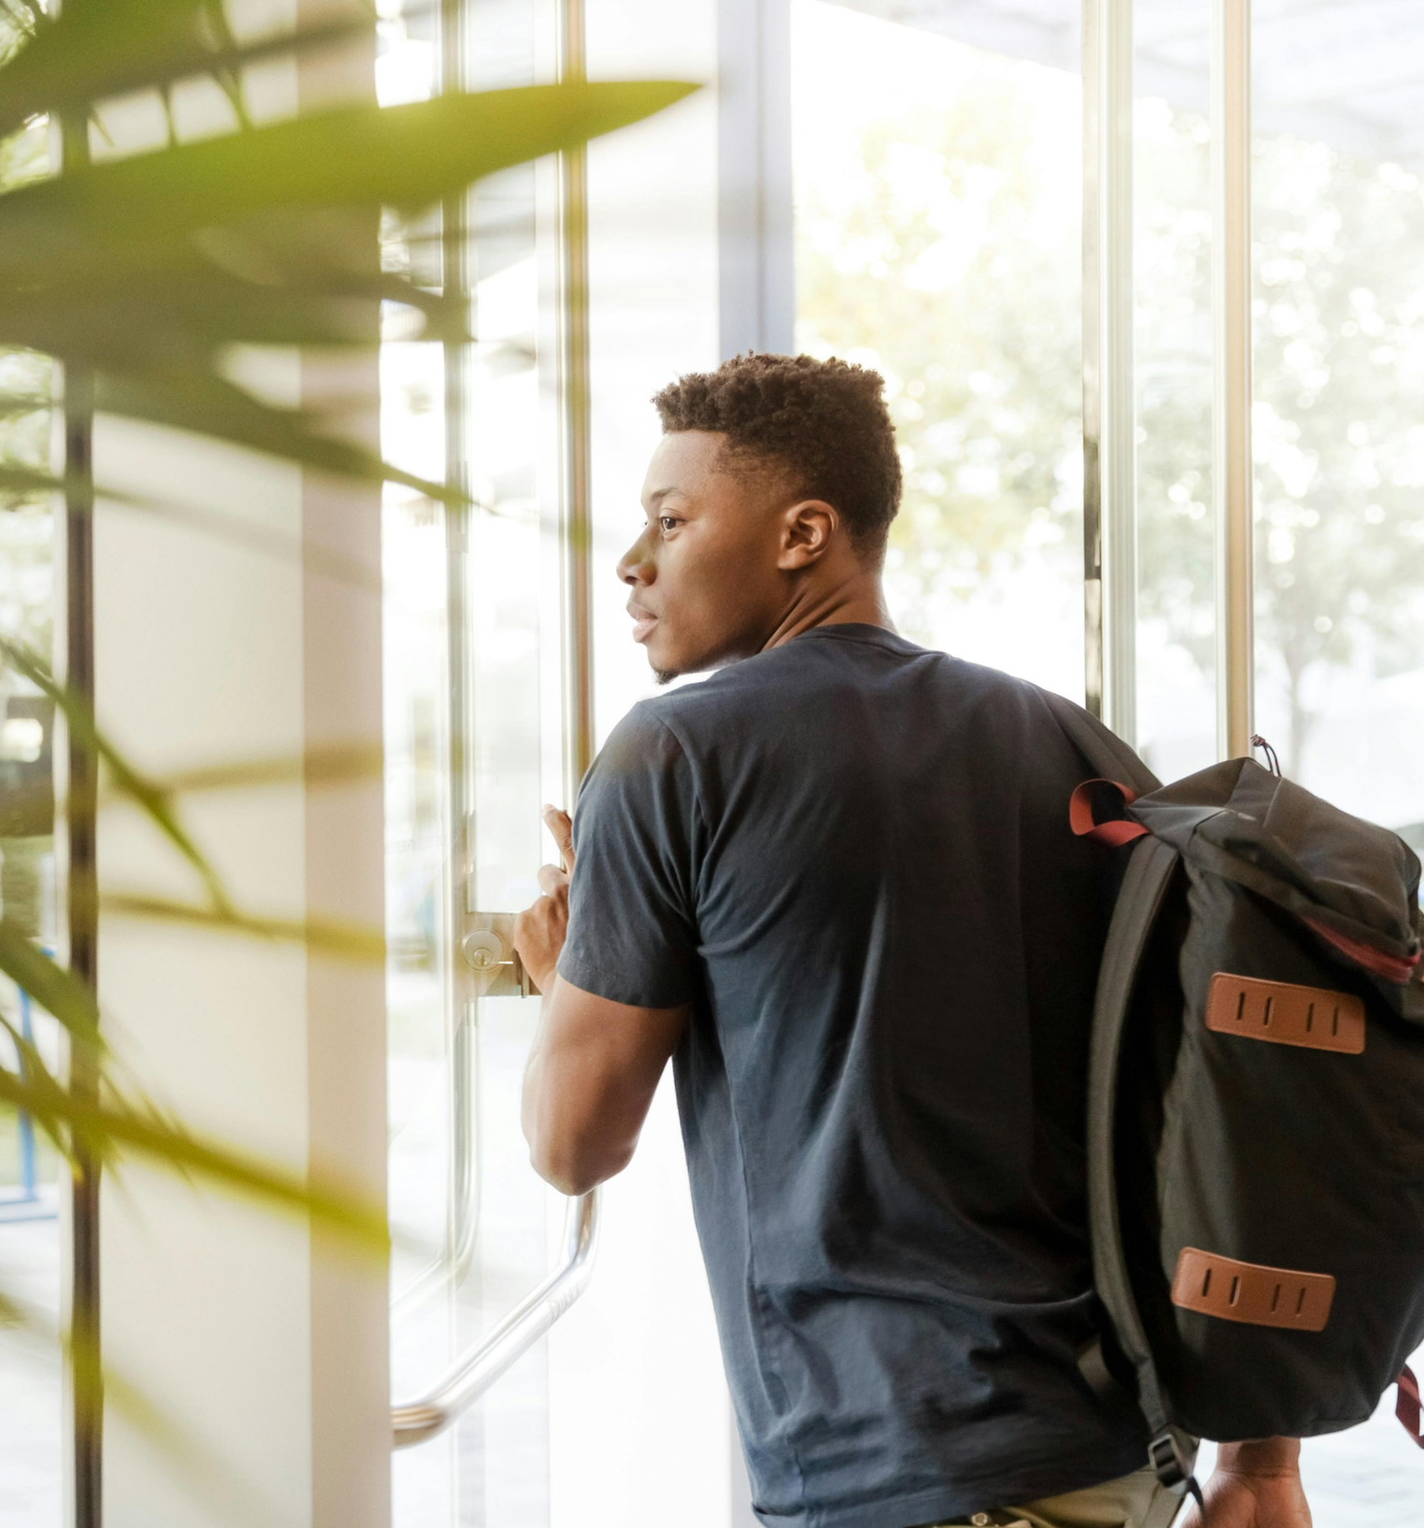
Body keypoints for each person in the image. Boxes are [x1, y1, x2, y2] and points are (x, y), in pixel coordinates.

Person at [513, 352, 1312, 1528]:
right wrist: (1261, 1463)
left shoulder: (671, 758)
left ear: (803, 533)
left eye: (670, 520)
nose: (632, 562)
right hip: (1120, 1453)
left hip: (899, 1469)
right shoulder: (1071, 747)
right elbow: (1227, 1093)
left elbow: (569, 1143)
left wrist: (561, 978)